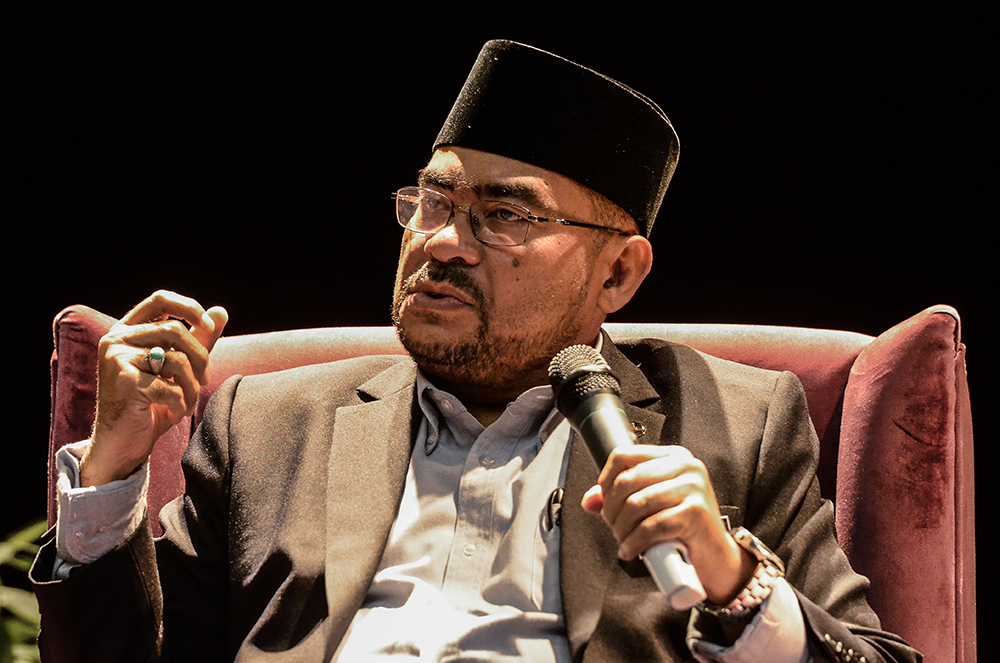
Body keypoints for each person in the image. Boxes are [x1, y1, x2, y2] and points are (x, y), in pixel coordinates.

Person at [31, 40, 920, 662]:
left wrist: (730, 580)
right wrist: (113, 467)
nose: (444, 242)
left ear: (618, 275)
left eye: (506, 215)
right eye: (432, 201)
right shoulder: (267, 421)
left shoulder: (737, 422)